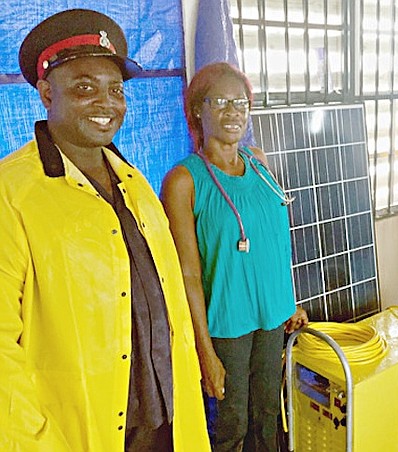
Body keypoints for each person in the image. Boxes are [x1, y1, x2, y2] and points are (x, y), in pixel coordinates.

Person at [0, 9, 210, 452]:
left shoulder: (135, 185)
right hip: (79, 434)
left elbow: (169, 306)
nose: (107, 103)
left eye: (115, 90)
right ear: (45, 93)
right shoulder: (11, 194)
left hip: (168, 422)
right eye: (83, 88)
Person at [161, 62, 309, 452]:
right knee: (230, 427)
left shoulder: (259, 162)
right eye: (221, 102)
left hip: (273, 318)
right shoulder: (184, 180)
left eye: (241, 102)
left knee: (268, 418)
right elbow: (188, 275)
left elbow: (274, 241)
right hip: (226, 329)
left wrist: (288, 302)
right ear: (197, 109)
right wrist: (204, 350)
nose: (234, 112)